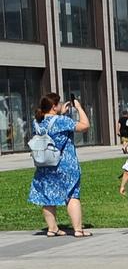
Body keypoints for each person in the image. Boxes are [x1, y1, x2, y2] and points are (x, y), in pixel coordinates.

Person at [28, 94, 91, 237]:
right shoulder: (62, 121)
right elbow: (85, 126)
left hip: (45, 165)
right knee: (72, 195)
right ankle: (78, 230)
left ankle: (52, 228)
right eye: (59, 104)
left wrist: (60, 114)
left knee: (47, 196)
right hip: (65, 165)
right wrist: (79, 108)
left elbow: (50, 126)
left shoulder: (36, 122)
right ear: (54, 106)